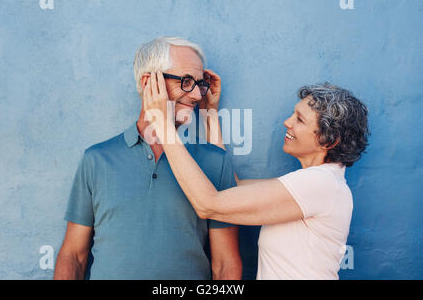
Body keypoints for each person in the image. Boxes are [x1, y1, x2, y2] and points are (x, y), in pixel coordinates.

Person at [143, 76, 369, 280]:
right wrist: (210, 112)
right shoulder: (316, 184)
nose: (287, 122)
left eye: (300, 119)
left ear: (329, 141)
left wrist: (162, 123)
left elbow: (209, 204)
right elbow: (229, 187)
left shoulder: (320, 184)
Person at [53, 37, 242, 280]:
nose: (196, 95)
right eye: (186, 82)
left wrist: (210, 114)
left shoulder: (216, 161)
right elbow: (73, 255)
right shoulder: (97, 160)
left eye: (200, 84)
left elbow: (225, 264)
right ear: (149, 82)